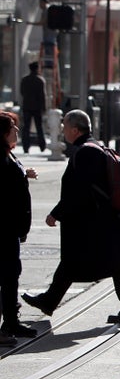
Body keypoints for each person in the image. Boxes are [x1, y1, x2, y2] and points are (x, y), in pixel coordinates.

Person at [22, 110, 120, 324]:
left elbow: (79, 190)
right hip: (102, 220)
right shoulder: (94, 147)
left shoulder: (86, 152)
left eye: (64, 127)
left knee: (90, 261)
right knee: (108, 262)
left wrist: (56, 213)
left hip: (93, 221)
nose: (62, 130)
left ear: (74, 129)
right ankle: (50, 301)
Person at [0, 111, 38, 342]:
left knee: (10, 275)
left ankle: (11, 323)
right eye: (13, 127)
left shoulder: (9, 155)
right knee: (6, 275)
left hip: (11, 229)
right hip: (3, 229)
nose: (17, 130)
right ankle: (8, 326)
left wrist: (24, 173)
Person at [19, 62, 47, 153]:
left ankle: (25, 146)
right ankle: (42, 146)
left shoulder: (24, 80)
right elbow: (42, 95)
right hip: (37, 107)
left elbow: (22, 92)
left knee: (26, 127)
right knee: (39, 127)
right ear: (37, 68)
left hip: (26, 106)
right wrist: (44, 107)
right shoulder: (40, 80)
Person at [29, 0, 58, 69]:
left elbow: (43, 22)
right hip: (50, 33)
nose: (39, 5)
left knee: (49, 49)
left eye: (40, 3)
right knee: (48, 49)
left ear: (44, 3)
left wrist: (31, 23)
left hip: (49, 33)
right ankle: (49, 64)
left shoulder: (46, 11)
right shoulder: (47, 10)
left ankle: (50, 64)